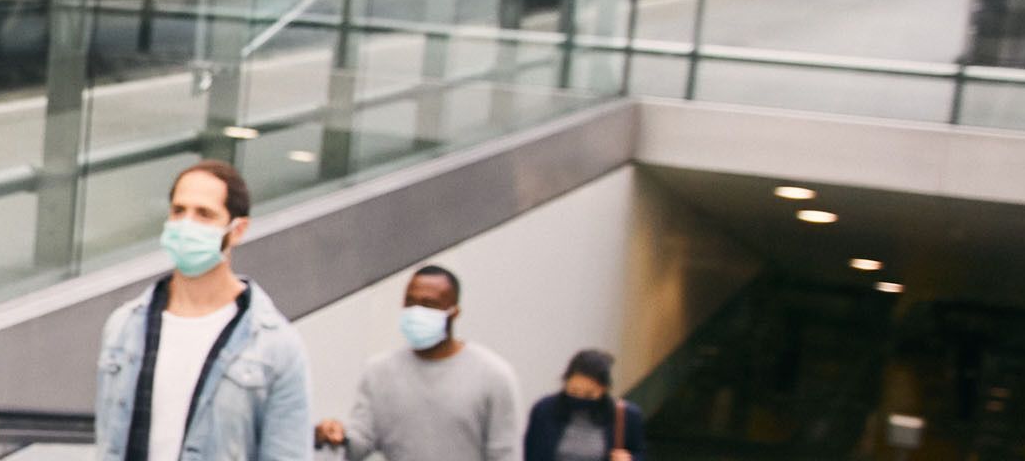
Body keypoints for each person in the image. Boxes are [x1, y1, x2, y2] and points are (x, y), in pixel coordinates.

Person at [97, 160, 314, 461]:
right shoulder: (124, 326)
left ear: (237, 230)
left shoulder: (275, 347)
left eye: (204, 214)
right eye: (178, 211)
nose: (186, 225)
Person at [314, 265, 520, 460]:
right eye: (410, 302)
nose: (416, 312)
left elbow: (504, 454)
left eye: (428, 304)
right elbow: (359, 443)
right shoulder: (379, 372)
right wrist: (335, 435)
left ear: (454, 312)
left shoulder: (493, 376)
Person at [522, 349, 647, 461]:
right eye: (573, 391)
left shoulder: (626, 416)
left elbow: (640, 453)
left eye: (589, 394)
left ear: (604, 389)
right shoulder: (544, 410)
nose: (580, 398)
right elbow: (530, 453)